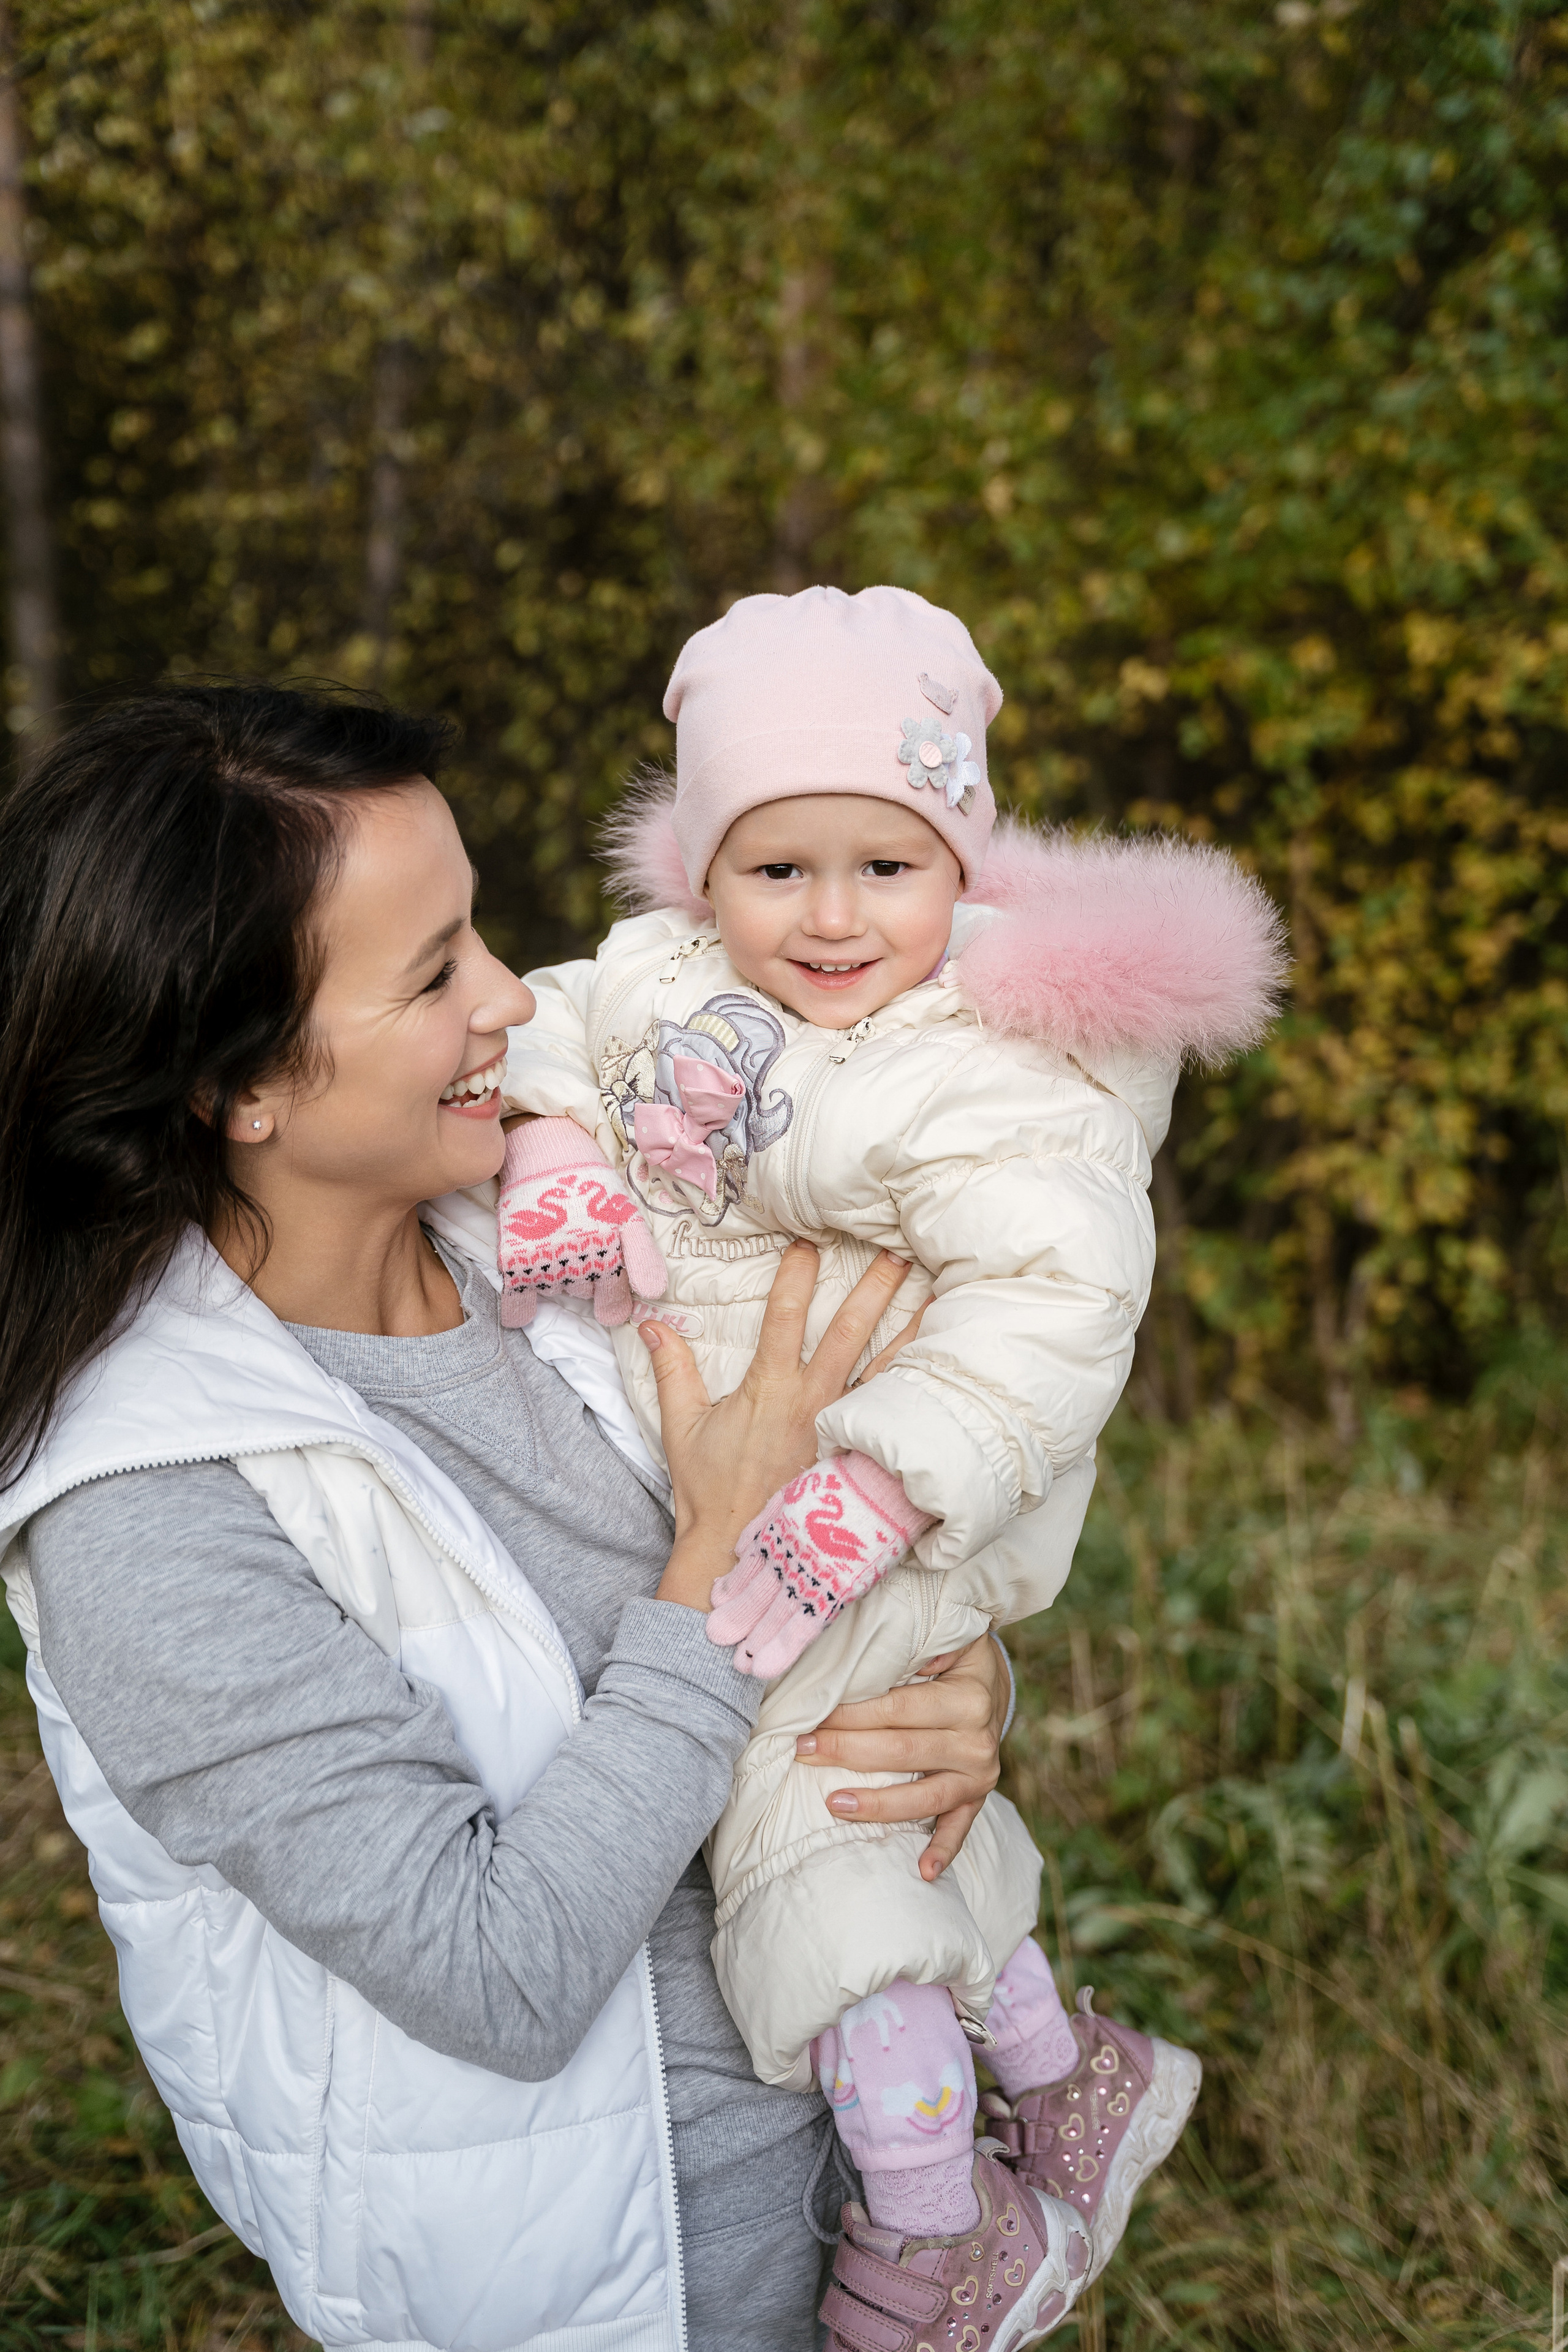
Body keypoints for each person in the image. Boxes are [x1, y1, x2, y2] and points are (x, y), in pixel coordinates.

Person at [0, 680, 1022, 2352]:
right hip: (639, 2291)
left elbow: (860, 1553)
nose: (507, 997)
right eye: (431, 975)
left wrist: (948, 1703)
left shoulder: (562, 1234)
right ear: (235, 1085)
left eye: (479, 929)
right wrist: (725, 1572)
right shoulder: (151, 1511)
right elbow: (500, 1970)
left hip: (897, 2211)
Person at [493, 585, 1286, 2345]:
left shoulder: (998, 1071)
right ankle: (1064, 2073)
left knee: (820, 1826)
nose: (836, 916)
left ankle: (943, 2232)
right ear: (705, 873)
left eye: (887, 865)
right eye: (780, 870)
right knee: (853, 1796)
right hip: (756, 1489)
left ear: (963, 867)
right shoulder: (660, 978)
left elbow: (1061, 1300)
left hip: (898, 1497)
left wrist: (885, 1484)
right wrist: (556, 1150)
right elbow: (538, 1015)